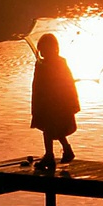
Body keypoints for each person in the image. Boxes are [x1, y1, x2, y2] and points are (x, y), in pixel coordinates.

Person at [30, 33, 80, 170]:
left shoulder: (55, 64)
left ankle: (49, 156)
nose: (43, 52)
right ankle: (66, 150)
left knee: (49, 129)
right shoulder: (45, 64)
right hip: (49, 102)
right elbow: (38, 85)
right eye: (42, 50)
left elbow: (65, 82)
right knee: (53, 129)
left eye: (45, 49)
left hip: (55, 103)